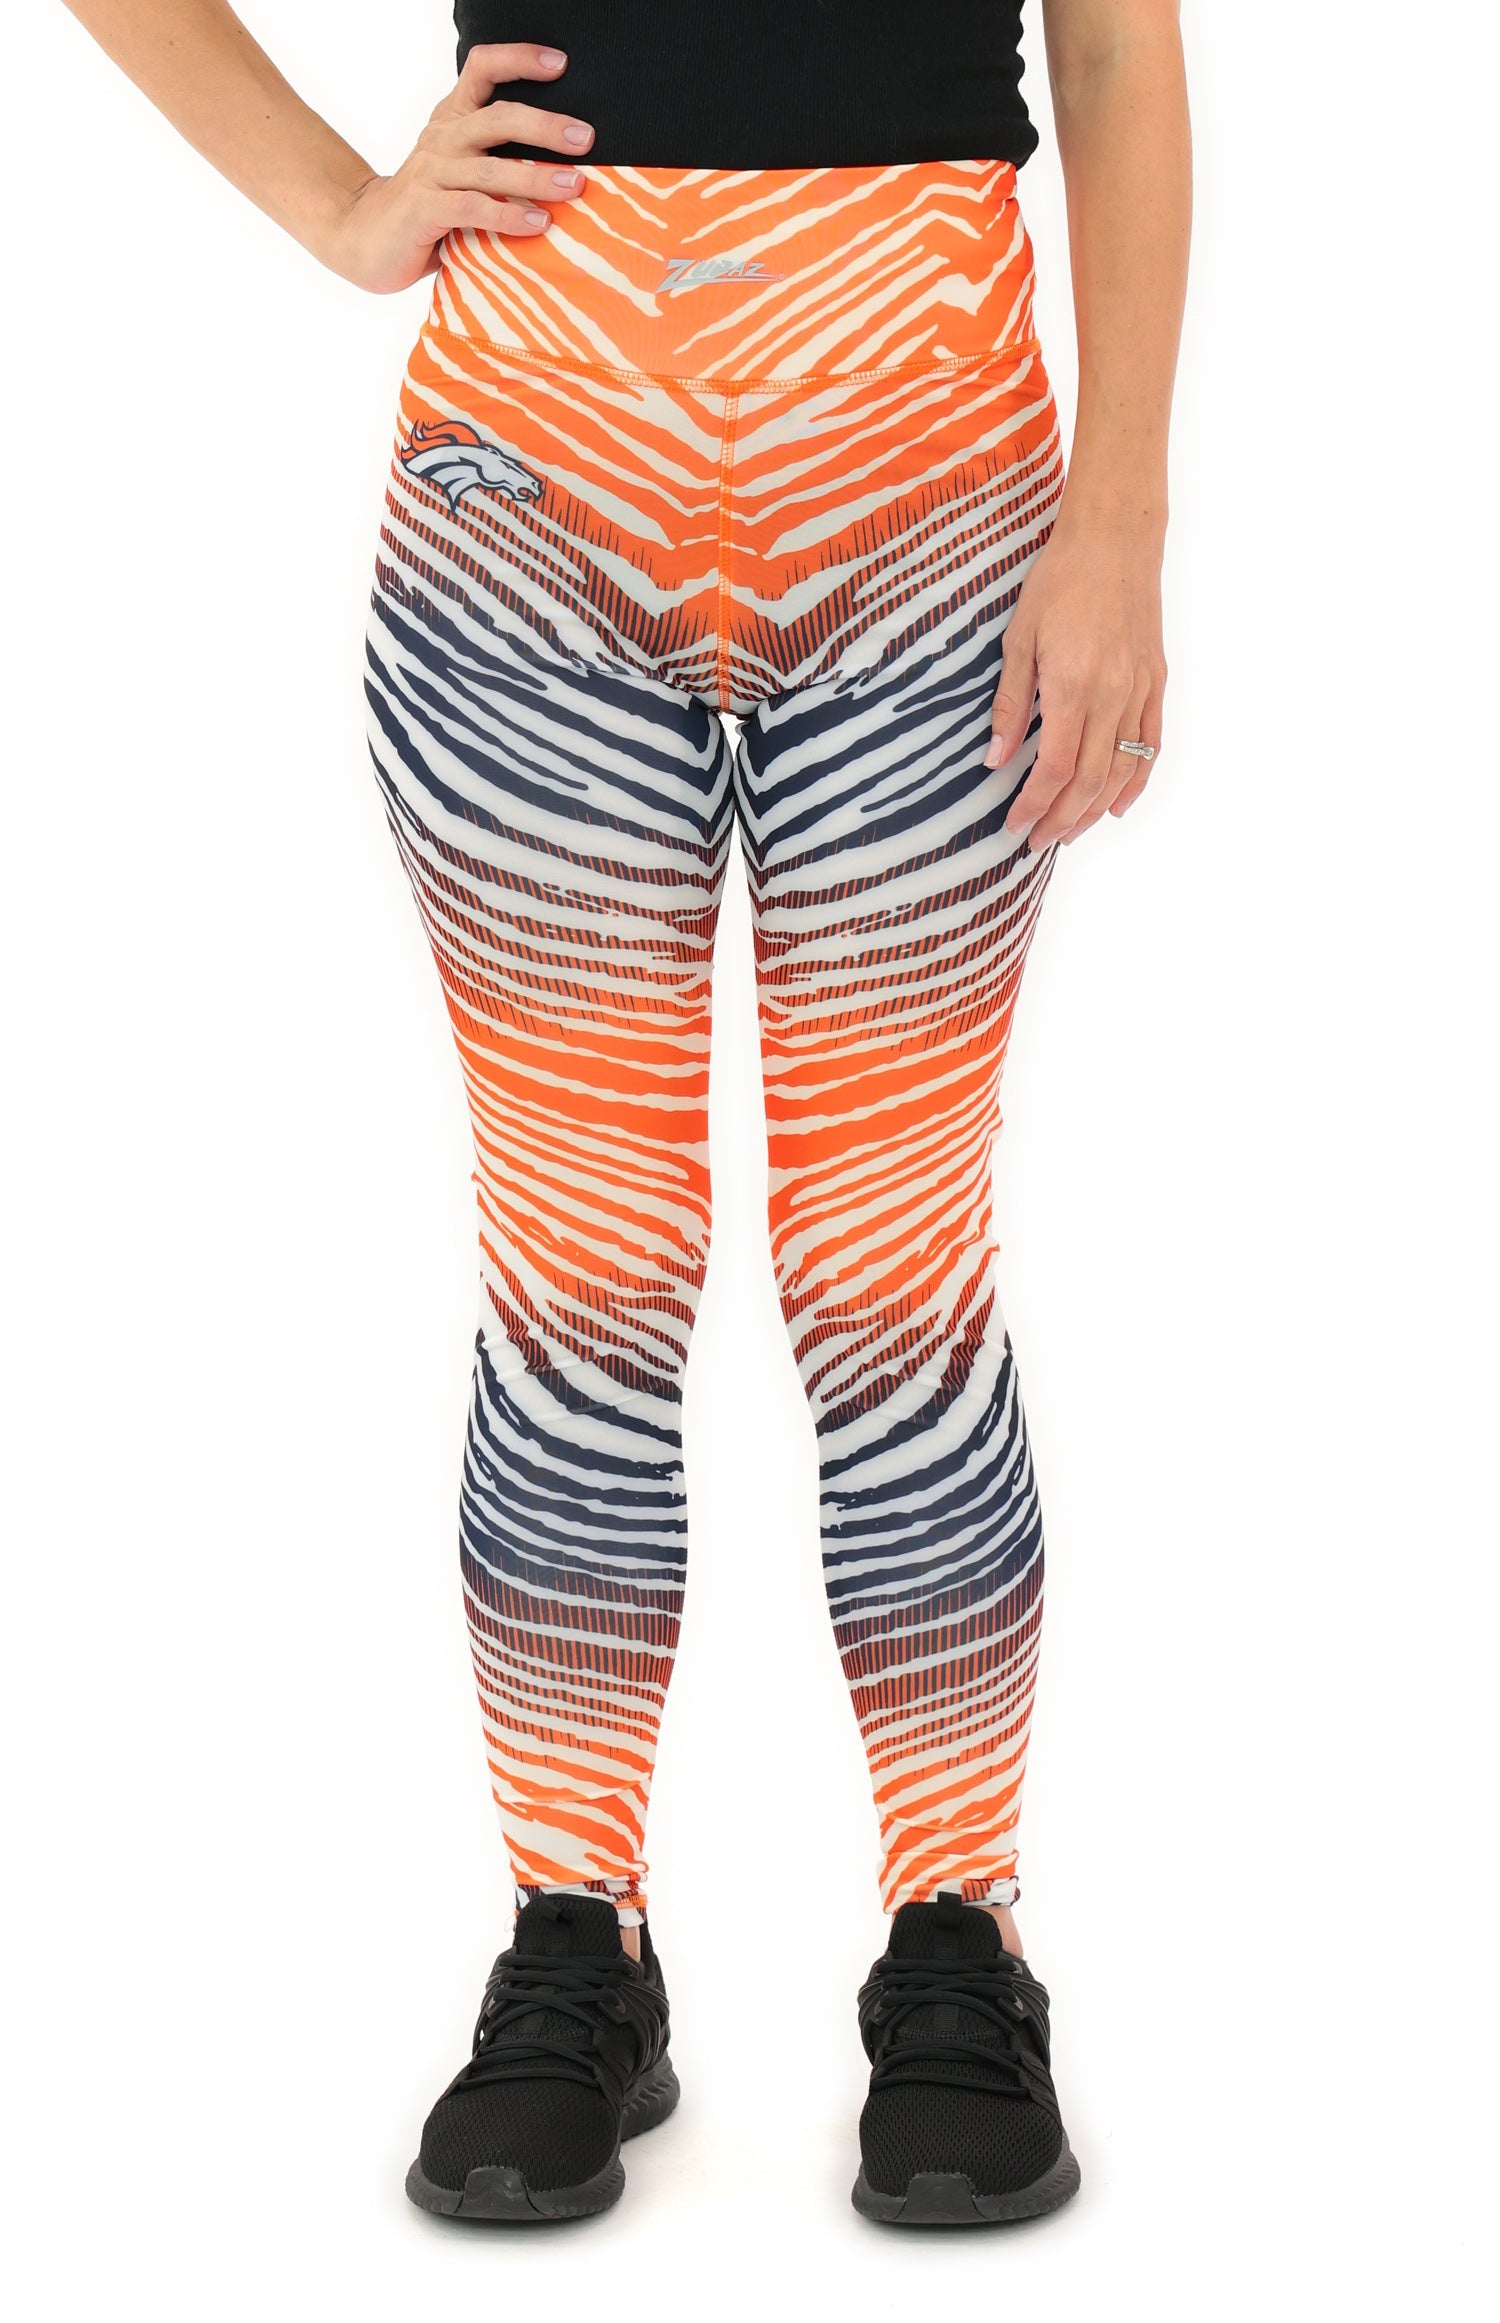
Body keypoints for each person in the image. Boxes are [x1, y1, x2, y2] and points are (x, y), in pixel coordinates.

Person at [63, 0, 1190, 2229]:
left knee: (892, 1280)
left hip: (935, 492)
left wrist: (1122, 523)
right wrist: (342, 204)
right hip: (531, 510)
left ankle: (958, 1943)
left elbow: (1117, 59)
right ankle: (578, 1939)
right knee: (580, 1277)